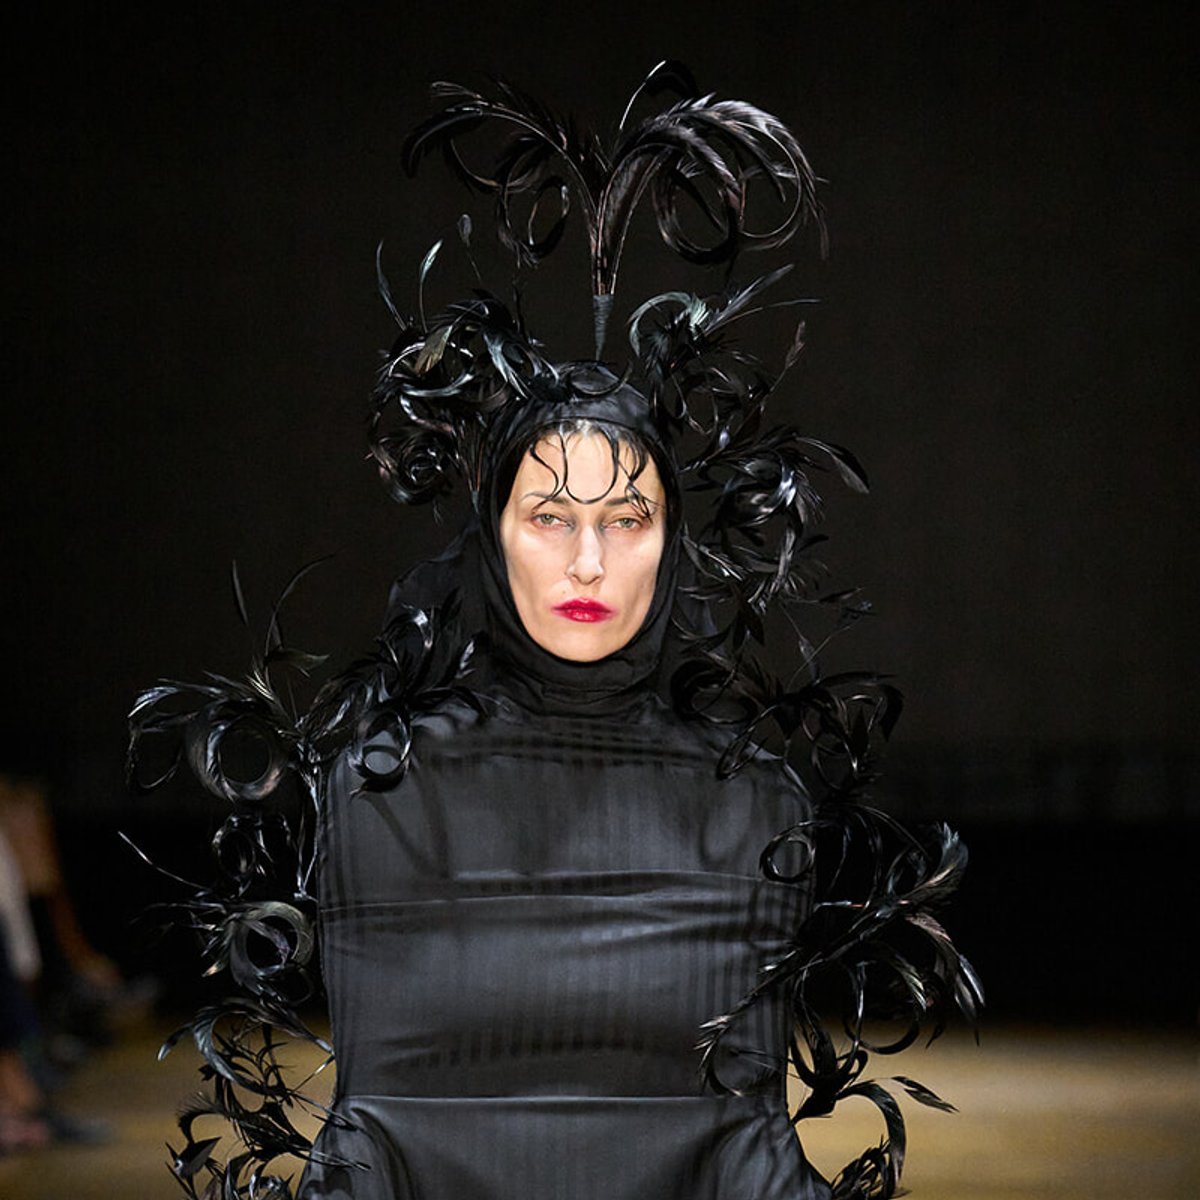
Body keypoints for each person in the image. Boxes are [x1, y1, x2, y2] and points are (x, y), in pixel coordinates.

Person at [130, 64, 979, 1200]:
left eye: (628, 519)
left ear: (673, 543)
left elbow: (747, 1146)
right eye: (549, 516)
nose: (588, 561)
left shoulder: (758, 809)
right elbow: (371, 1137)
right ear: (493, 536)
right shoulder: (378, 798)